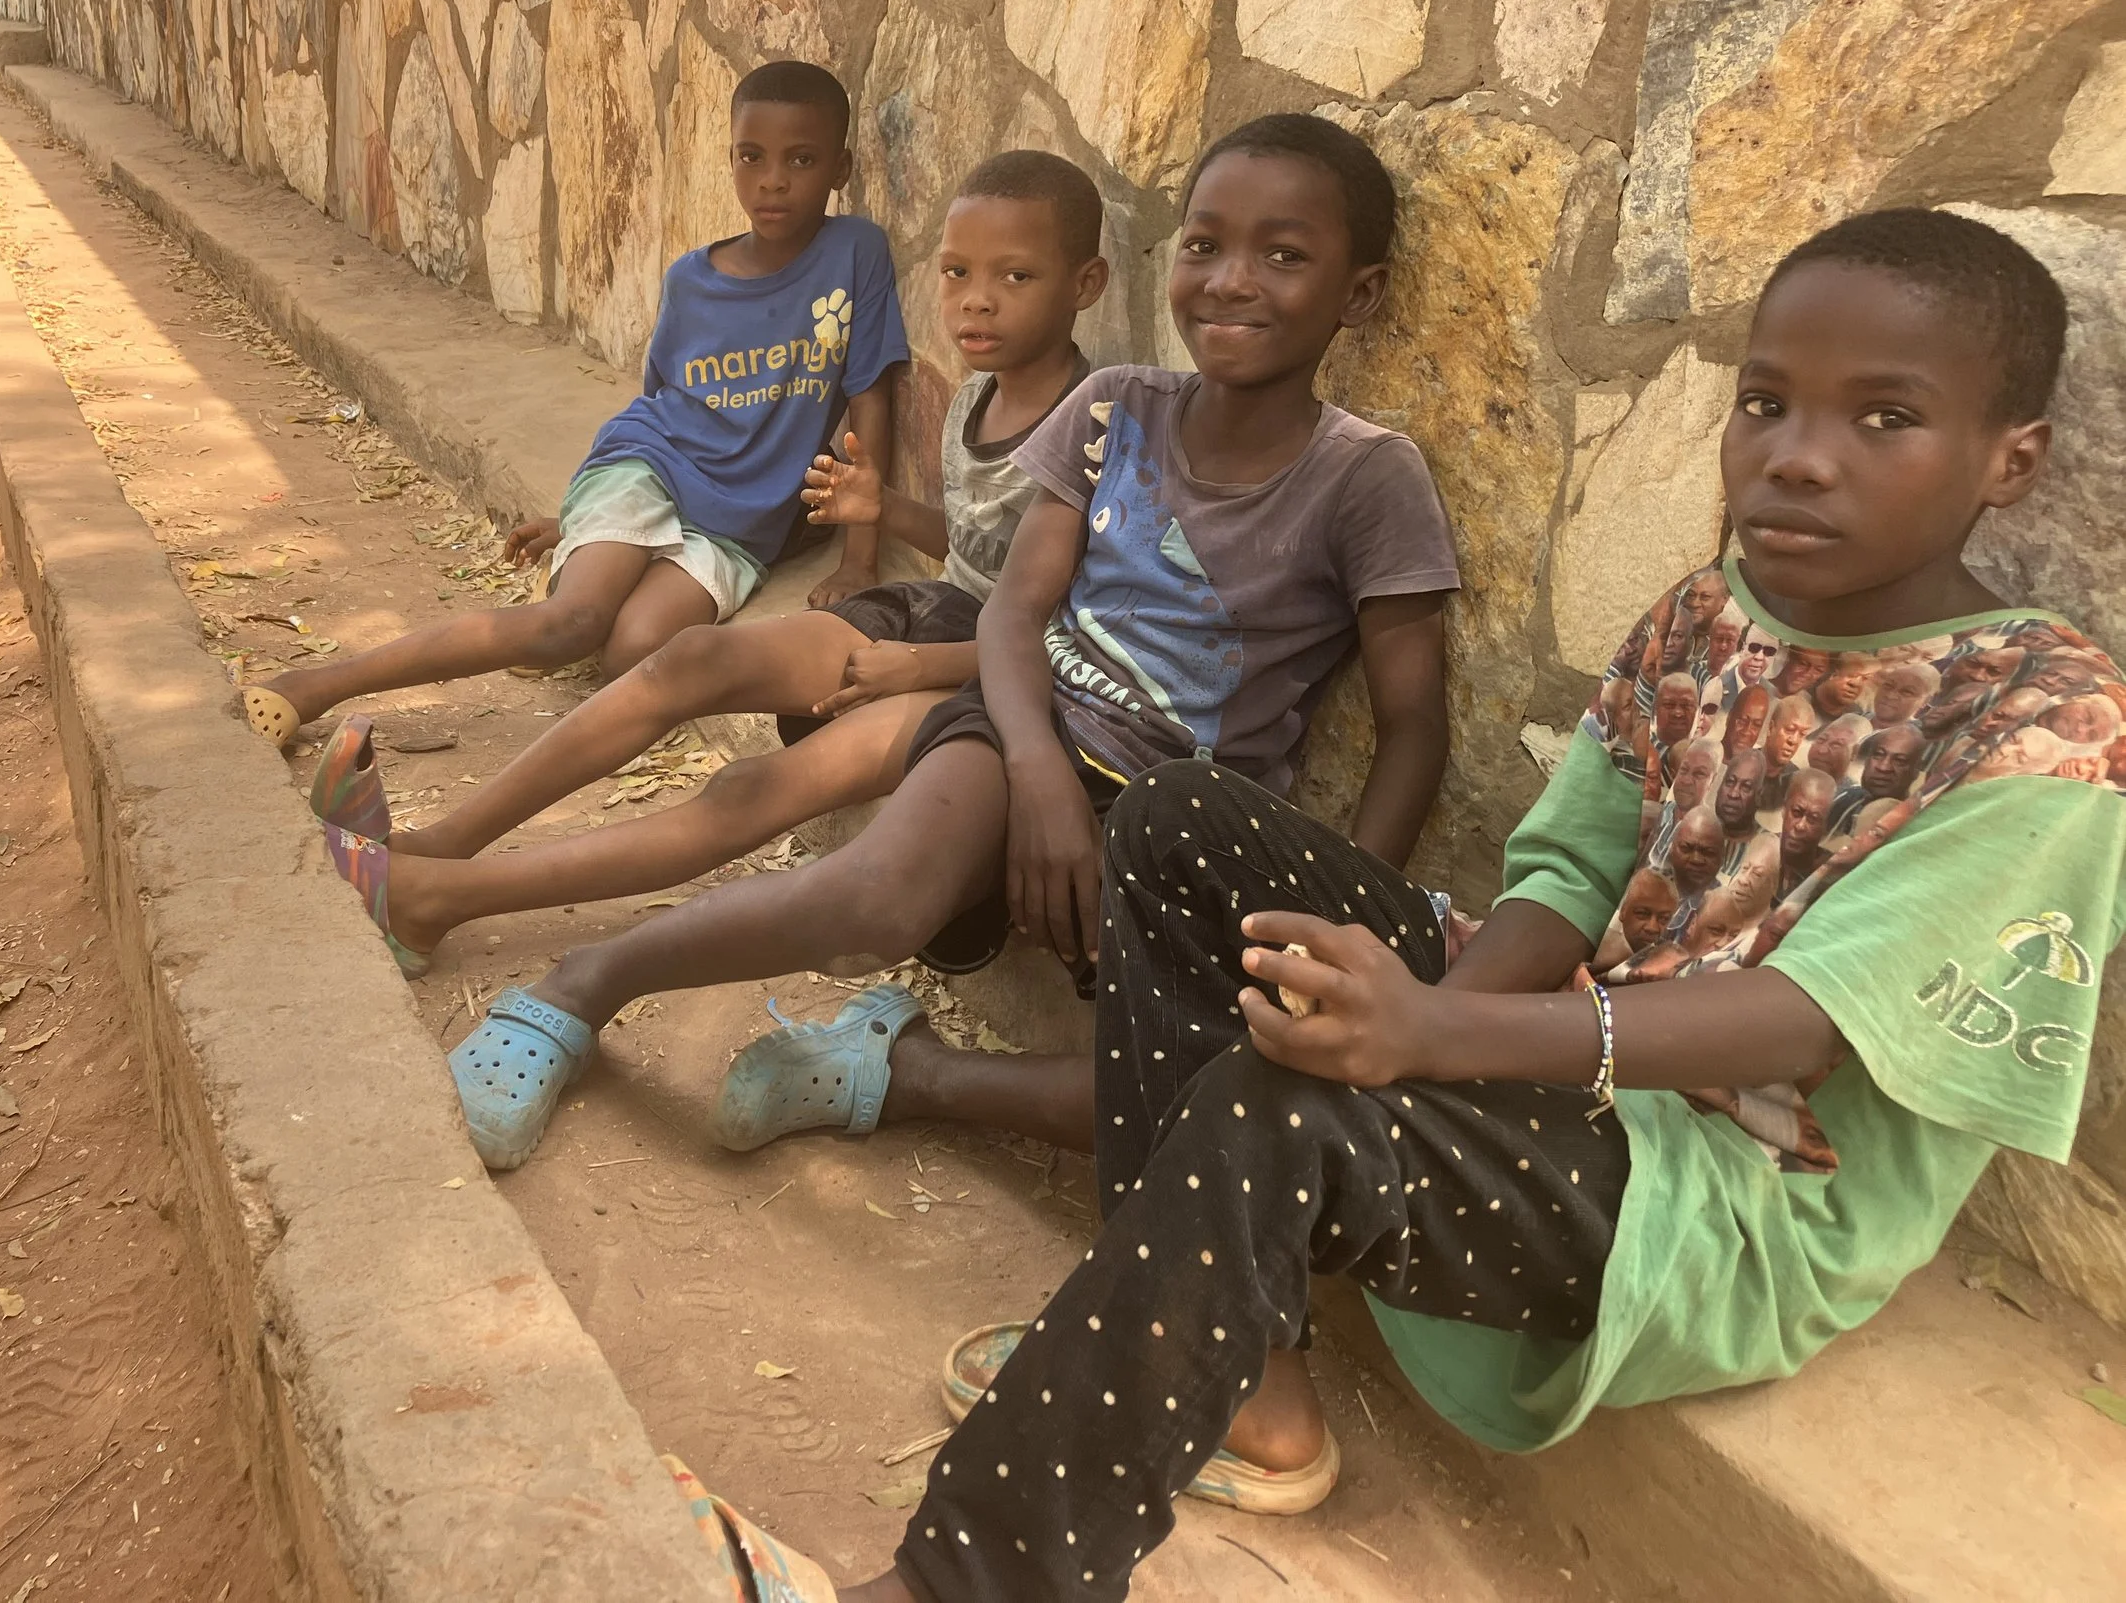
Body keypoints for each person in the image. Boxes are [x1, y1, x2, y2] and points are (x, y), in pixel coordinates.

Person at [715, 206, 2124, 1600]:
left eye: (1885, 418)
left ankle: (959, 1585)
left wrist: (1436, 1037)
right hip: (1561, 1047)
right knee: (1175, 818)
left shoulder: (2046, 729)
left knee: (1282, 1102)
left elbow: (1808, 1020)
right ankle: (1244, 1384)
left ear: (2012, 460)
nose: (1799, 455)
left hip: (1729, 1188)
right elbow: (1568, 874)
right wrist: (1423, 1016)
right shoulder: (1713, 612)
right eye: (1766, 402)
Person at [434, 113, 1461, 1169]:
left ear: (1360, 293)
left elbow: (1413, 726)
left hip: (1187, 819)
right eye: (1205, 244)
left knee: (1234, 1086)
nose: (1232, 280)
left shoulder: (1366, 478)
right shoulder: (1118, 408)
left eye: (1283, 256)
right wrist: (1040, 774)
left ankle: (901, 1073)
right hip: (1033, 723)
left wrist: (1348, 921)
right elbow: (1013, 612)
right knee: (879, 897)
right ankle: (579, 985)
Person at [309, 151, 1108, 953]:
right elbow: (983, 550)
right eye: (958, 272)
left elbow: (1075, 635)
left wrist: (920, 666)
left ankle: (439, 899)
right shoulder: (976, 396)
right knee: (689, 657)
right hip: (944, 615)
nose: (977, 299)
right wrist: (889, 510)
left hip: (1004, 676)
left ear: (1086, 284)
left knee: (748, 787)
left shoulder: (1103, 436)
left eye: (1015, 277)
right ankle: (442, 843)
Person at [233, 61, 908, 751]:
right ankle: (320, 684)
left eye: (801, 160)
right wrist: (584, 516)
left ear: (840, 168)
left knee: (630, 655)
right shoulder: (691, 280)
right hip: (650, 470)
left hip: (737, 528)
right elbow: (662, 410)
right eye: (751, 157)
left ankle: (587, 578)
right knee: (574, 625)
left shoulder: (854, 253)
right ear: (730, 158)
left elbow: (870, 395)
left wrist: (860, 559)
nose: (772, 180)